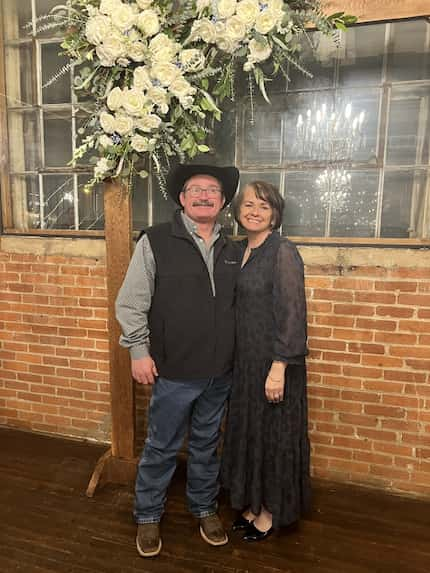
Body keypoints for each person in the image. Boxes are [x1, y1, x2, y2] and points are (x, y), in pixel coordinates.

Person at [115, 163, 241, 557]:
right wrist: (138, 350)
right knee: (161, 446)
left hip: (220, 372)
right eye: (196, 189)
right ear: (182, 198)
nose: (205, 195)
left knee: (206, 446)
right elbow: (131, 302)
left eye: (213, 190)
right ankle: (148, 515)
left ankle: (204, 507)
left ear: (222, 201)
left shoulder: (235, 248)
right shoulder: (155, 241)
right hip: (174, 370)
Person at [221, 180, 310, 541]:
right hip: (244, 362)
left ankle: (270, 510)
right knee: (250, 434)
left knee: (272, 436)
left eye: (263, 206)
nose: (254, 211)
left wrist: (279, 367)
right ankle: (252, 502)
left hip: (273, 363)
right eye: (248, 205)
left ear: (275, 214)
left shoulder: (282, 251)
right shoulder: (238, 250)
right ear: (238, 212)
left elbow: (293, 314)